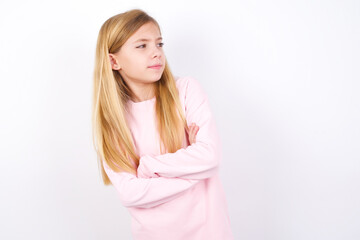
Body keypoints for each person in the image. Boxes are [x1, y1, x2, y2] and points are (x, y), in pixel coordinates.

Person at [92, 8, 234, 240]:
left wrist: (148, 167)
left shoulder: (186, 91)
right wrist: (194, 169)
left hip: (209, 232)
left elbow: (210, 157)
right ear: (113, 61)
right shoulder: (114, 122)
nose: (156, 53)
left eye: (159, 44)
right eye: (142, 46)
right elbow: (130, 194)